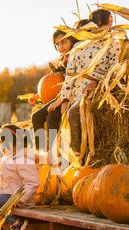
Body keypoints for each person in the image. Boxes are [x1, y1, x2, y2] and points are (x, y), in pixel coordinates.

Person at [48, 9, 121, 157]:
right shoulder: (78, 48)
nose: (110, 26)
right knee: (61, 114)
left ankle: (76, 152)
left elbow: (114, 68)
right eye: (109, 22)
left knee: (74, 112)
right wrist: (64, 98)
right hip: (78, 89)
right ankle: (57, 153)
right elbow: (70, 76)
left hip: (100, 88)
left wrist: (99, 82)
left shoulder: (112, 44)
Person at [31, 22, 87, 154]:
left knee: (52, 117)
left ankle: (52, 153)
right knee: (36, 116)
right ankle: (41, 152)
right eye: (57, 45)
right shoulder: (63, 60)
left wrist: (63, 100)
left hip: (73, 95)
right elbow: (54, 84)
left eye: (63, 42)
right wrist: (38, 96)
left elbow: (71, 82)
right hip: (61, 95)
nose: (60, 47)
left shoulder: (77, 54)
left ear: (72, 39)